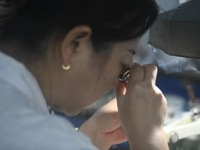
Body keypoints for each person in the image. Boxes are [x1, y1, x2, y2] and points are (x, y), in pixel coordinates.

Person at [0, 0, 168, 150]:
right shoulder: (36, 136)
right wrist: (150, 137)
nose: (117, 80)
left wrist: (89, 136)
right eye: (123, 64)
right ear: (75, 44)